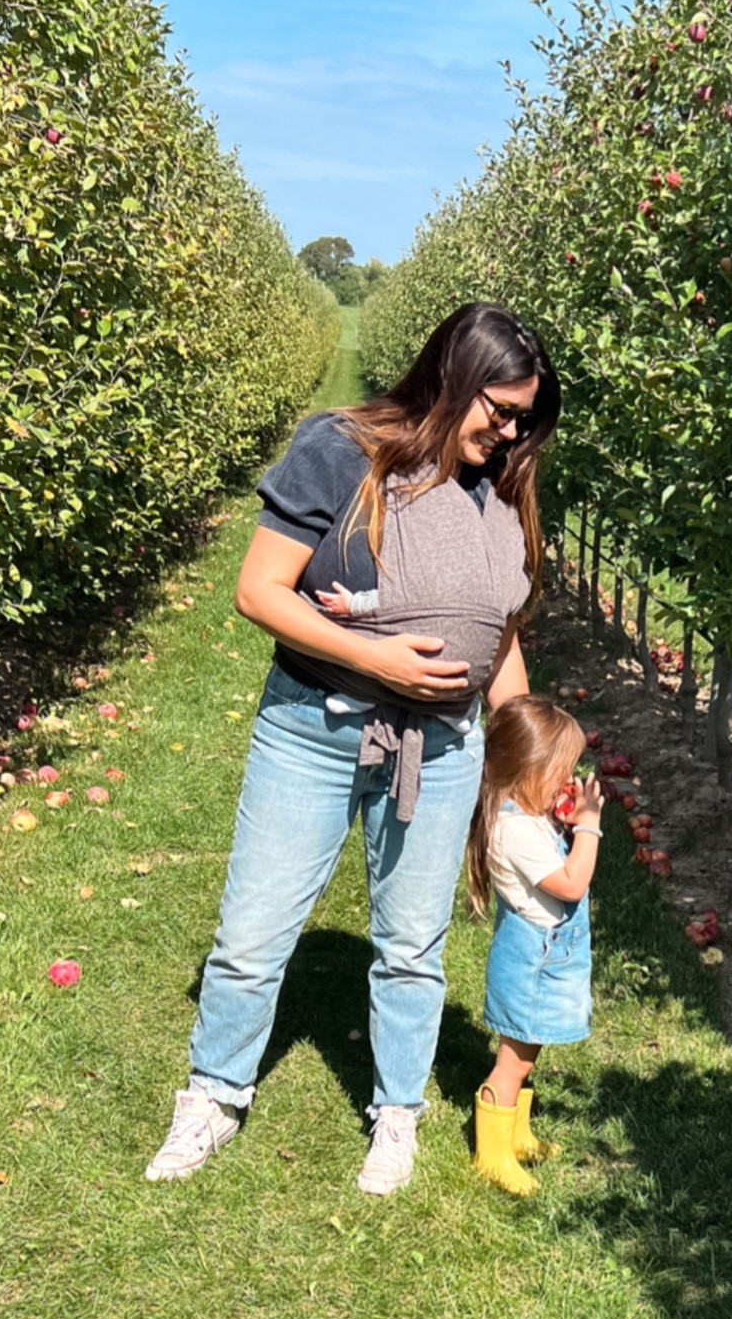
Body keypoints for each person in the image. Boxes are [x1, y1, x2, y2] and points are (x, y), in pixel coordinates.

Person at [146, 303, 562, 1194]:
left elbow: (501, 631)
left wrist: (526, 761)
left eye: (525, 415)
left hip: (444, 747)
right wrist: (377, 658)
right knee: (253, 934)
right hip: (317, 727)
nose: (511, 428)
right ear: (452, 379)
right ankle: (214, 1094)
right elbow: (260, 591)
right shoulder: (341, 448)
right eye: (500, 407)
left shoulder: (497, 485)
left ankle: (396, 1112)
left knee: (414, 944)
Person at [465, 695, 604, 1196]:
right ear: (528, 771)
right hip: (533, 960)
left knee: (530, 1049)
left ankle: (516, 1134)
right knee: (513, 1060)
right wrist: (588, 827)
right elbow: (570, 884)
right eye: (561, 772)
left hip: (549, 952)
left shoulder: (527, 817)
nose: (569, 782)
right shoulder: (515, 830)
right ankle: (492, 1152)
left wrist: (565, 822)